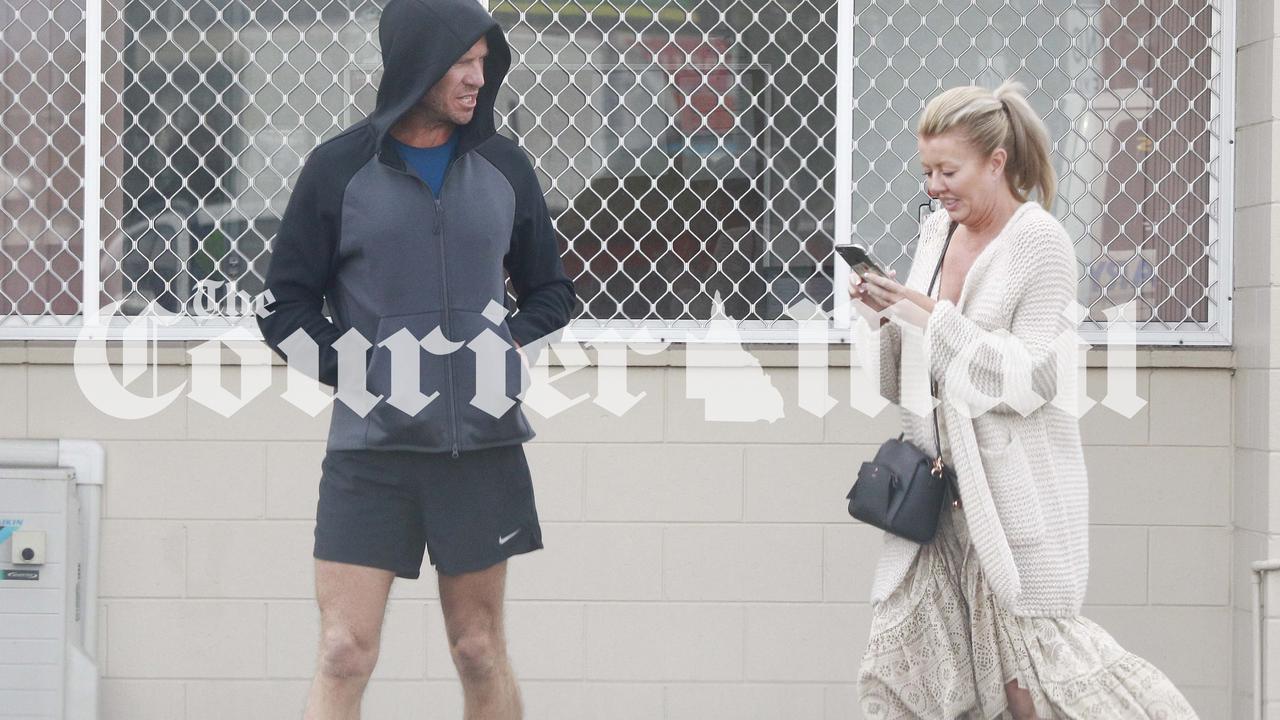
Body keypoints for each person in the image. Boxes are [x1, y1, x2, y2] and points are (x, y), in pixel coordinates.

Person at [256, 0, 575, 716]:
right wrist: (357, 371)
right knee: (344, 651)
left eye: (483, 63)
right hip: (372, 455)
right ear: (418, 65)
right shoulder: (339, 169)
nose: (476, 78)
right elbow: (283, 308)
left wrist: (507, 342)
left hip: (482, 450)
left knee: (477, 648)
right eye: (462, 63)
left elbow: (553, 291)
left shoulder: (504, 166)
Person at [848, 82, 1197, 719]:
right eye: (927, 172)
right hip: (933, 504)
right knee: (904, 678)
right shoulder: (936, 234)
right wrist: (884, 318)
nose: (935, 187)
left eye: (948, 171)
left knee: (1033, 684)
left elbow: (1033, 378)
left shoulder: (1041, 244)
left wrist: (930, 318)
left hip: (1009, 505)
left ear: (997, 162)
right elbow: (905, 381)